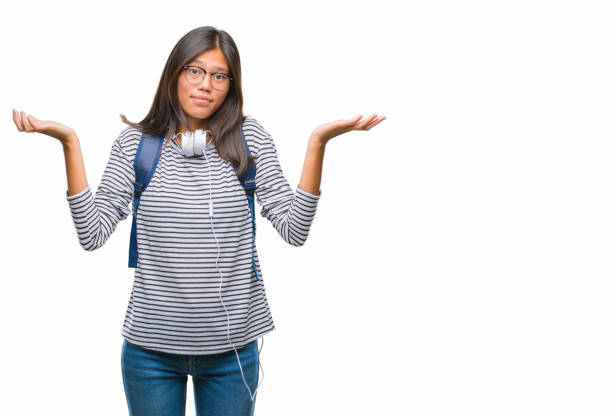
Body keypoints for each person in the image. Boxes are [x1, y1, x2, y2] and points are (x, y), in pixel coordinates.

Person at [11, 25, 385, 416]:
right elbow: (92, 234)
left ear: (231, 86)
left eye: (219, 75)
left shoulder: (249, 139)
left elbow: (295, 230)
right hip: (149, 354)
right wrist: (70, 142)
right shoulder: (134, 146)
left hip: (232, 354)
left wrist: (317, 144)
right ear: (174, 73)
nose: (205, 84)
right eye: (194, 70)